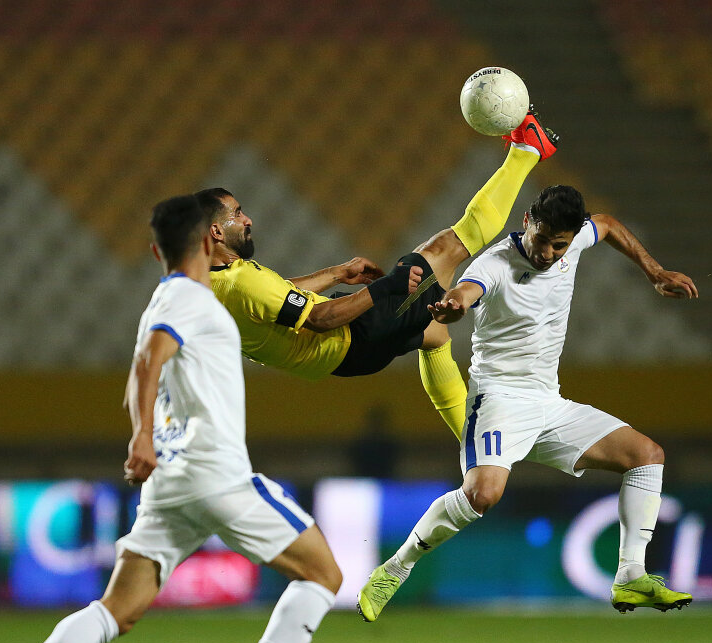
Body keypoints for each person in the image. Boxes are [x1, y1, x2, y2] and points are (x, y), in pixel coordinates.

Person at [0, 195, 343, 643]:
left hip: (170, 485)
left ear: (155, 251)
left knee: (117, 611)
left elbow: (146, 366)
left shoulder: (168, 298)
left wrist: (147, 438)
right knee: (323, 575)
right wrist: (140, 437)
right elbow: (149, 361)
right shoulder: (189, 300)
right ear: (207, 242)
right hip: (215, 472)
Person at [356, 185, 698, 621]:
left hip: (548, 402)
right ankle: (394, 570)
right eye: (543, 240)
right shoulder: (495, 264)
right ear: (527, 223)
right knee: (482, 495)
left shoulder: (574, 242)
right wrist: (454, 306)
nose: (548, 254)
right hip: (497, 399)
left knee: (647, 456)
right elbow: (466, 291)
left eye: (560, 245)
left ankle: (631, 574)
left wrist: (655, 271)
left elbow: (608, 225)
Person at [197, 107, 559, 439]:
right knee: (446, 248)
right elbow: (320, 319)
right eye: (237, 214)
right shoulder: (242, 281)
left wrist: (338, 273)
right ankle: (528, 150)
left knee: (433, 335)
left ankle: (473, 442)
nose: (247, 219)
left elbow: (274, 295)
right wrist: (387, 286)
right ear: (216, 231)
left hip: (346, 354)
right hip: (352, 335)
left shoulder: (207, 283)